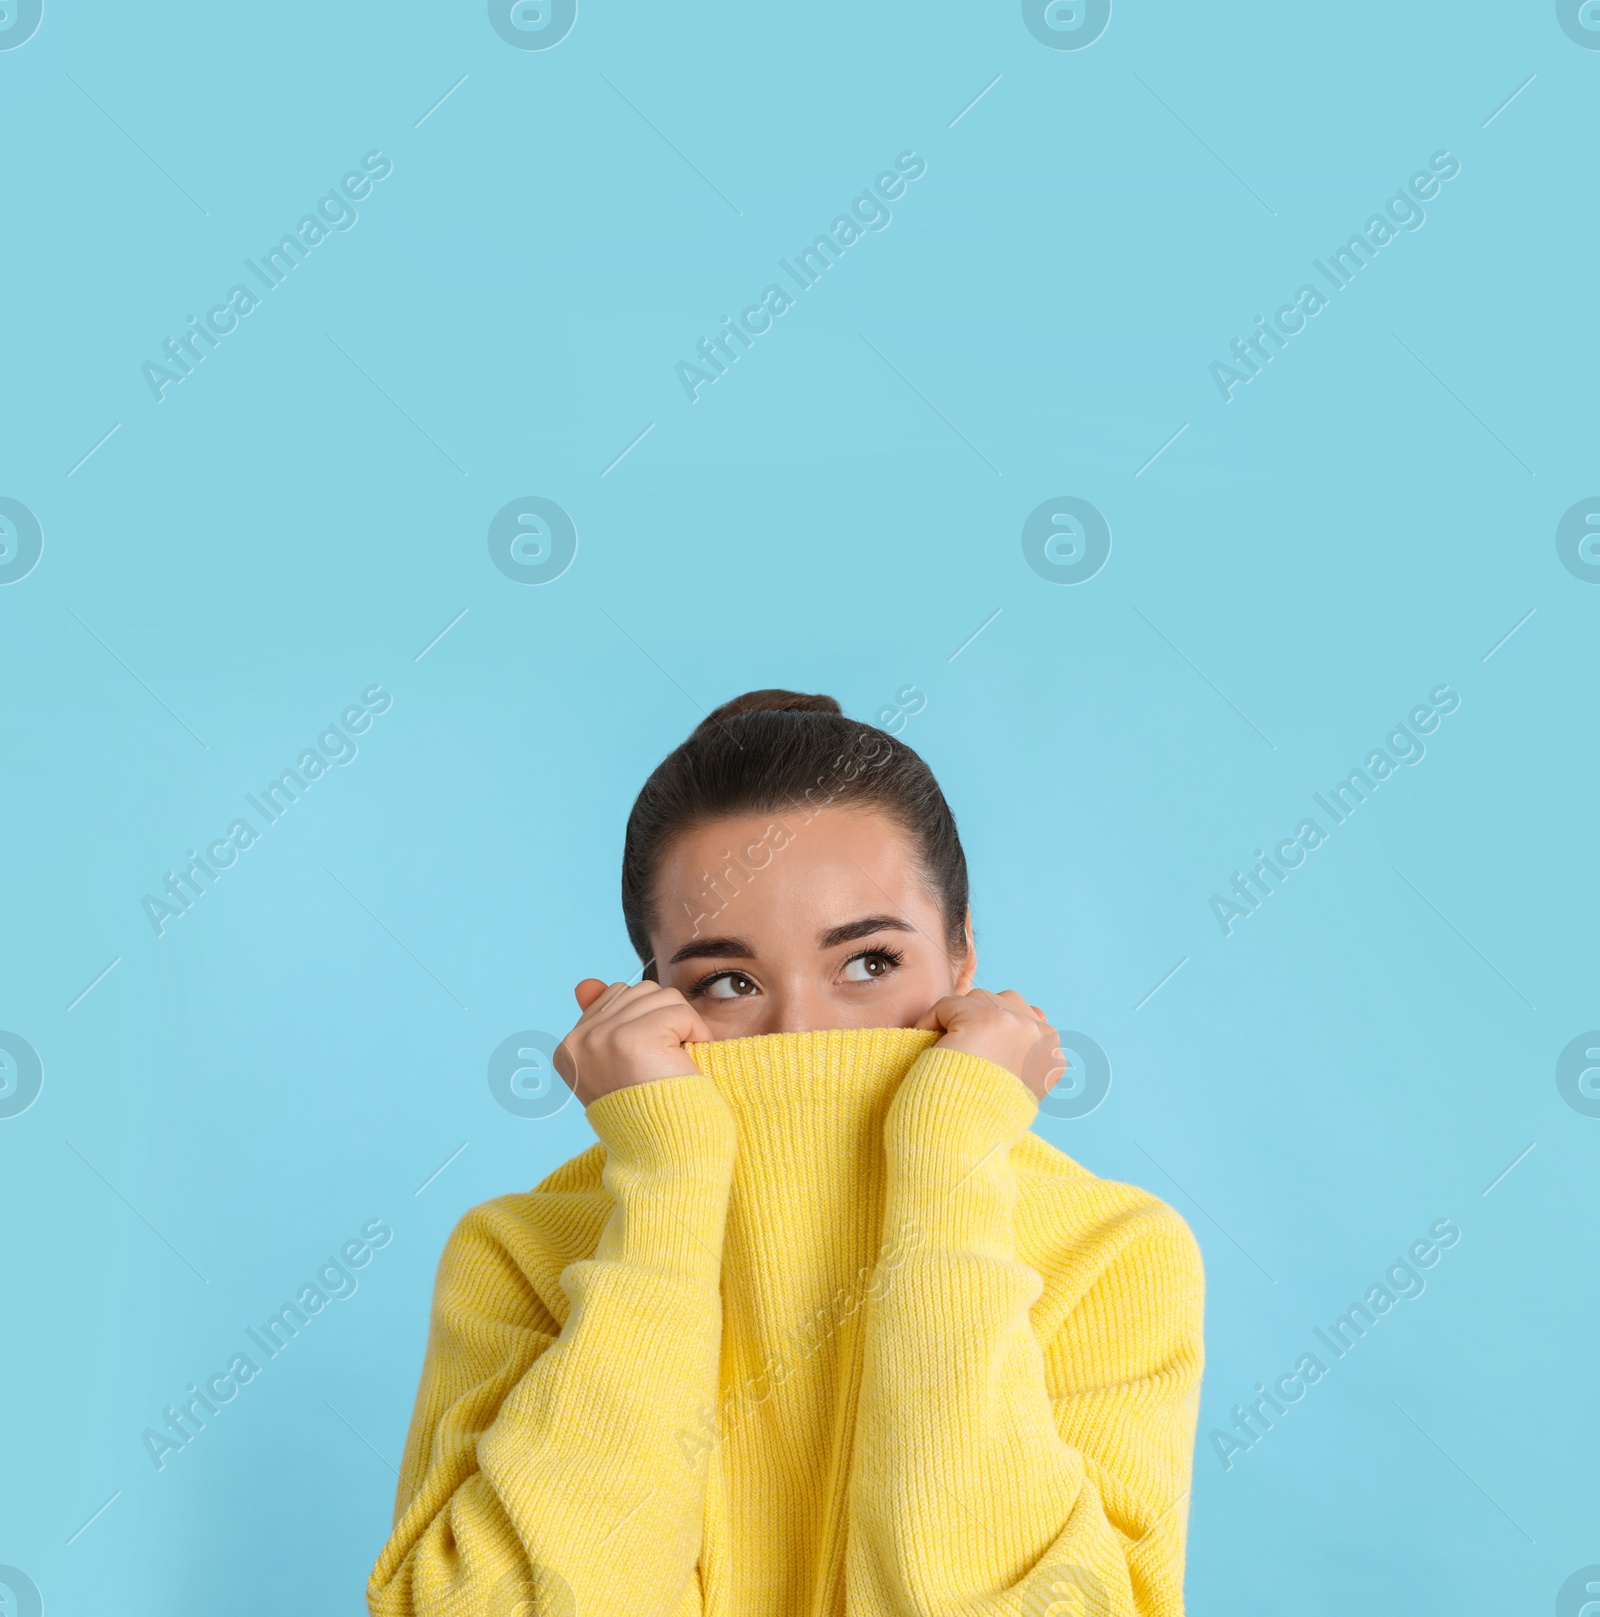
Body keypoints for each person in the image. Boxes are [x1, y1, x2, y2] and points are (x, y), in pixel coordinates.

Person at [367, 689, 1205, 1616]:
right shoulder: (520, 1253)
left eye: (869, 962)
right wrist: (667, 1193)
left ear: (963, 957)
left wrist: (948, 1159)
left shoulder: (1114, 1250)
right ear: (647, 1003)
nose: (798, 1030)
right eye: (729, 980)